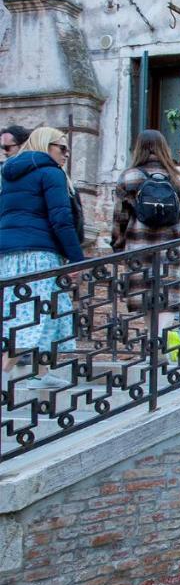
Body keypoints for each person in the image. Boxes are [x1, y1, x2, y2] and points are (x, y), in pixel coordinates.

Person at [0, 127, 84, 390]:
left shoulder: (10, 175)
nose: (66, 154)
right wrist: (77, 259)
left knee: (48, 313)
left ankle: (41, 372)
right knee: (28, 318)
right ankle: (3, 373)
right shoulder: (50, 172)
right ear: (47, 146)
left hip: (9, 256)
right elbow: (61, 219)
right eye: (62, 147)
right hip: (39, 254)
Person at [110, 129, 180, 363]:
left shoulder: (129, 177)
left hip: (139, 247)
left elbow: (120, 217)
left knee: (146, 297)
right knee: (169, 297)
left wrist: (118, 246)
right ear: (165, 148)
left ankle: (153, 343)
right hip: (172, 246)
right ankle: (158, 342)